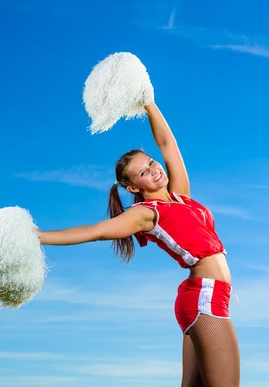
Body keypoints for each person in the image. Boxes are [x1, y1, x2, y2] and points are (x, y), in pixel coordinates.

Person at [36, 102, 240, 387]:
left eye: (151, 163)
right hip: (204, 298)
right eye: (143, 173)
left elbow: (168, 143)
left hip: (210, 296)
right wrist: (39, 236)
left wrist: (148, 102)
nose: (154, 170)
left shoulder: (181, 196)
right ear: (133, 187)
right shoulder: (147, 213)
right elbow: (96, 231)